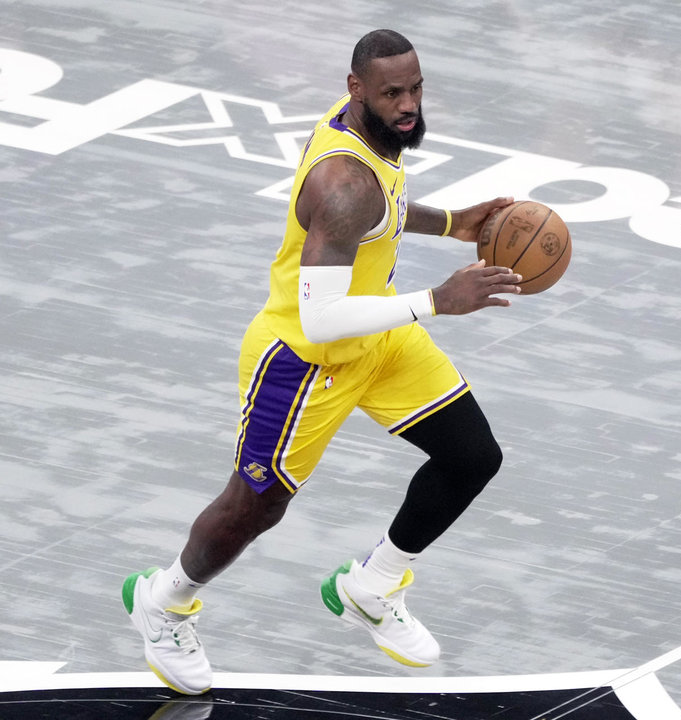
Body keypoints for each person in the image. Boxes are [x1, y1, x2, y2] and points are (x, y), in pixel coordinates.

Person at [122, 29, 521, 695]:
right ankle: (163, 603)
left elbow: (383, 213)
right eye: (393, 92)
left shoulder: (375, 139)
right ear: (355, 90)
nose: (408, 104)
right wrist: (438, 300)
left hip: (379, 335)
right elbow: (321, 316)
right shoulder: (342, 181)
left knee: (472, 456)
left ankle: (372, 585)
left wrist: (453, 221)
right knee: (255, 507)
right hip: (304, 360)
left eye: (416, 88)